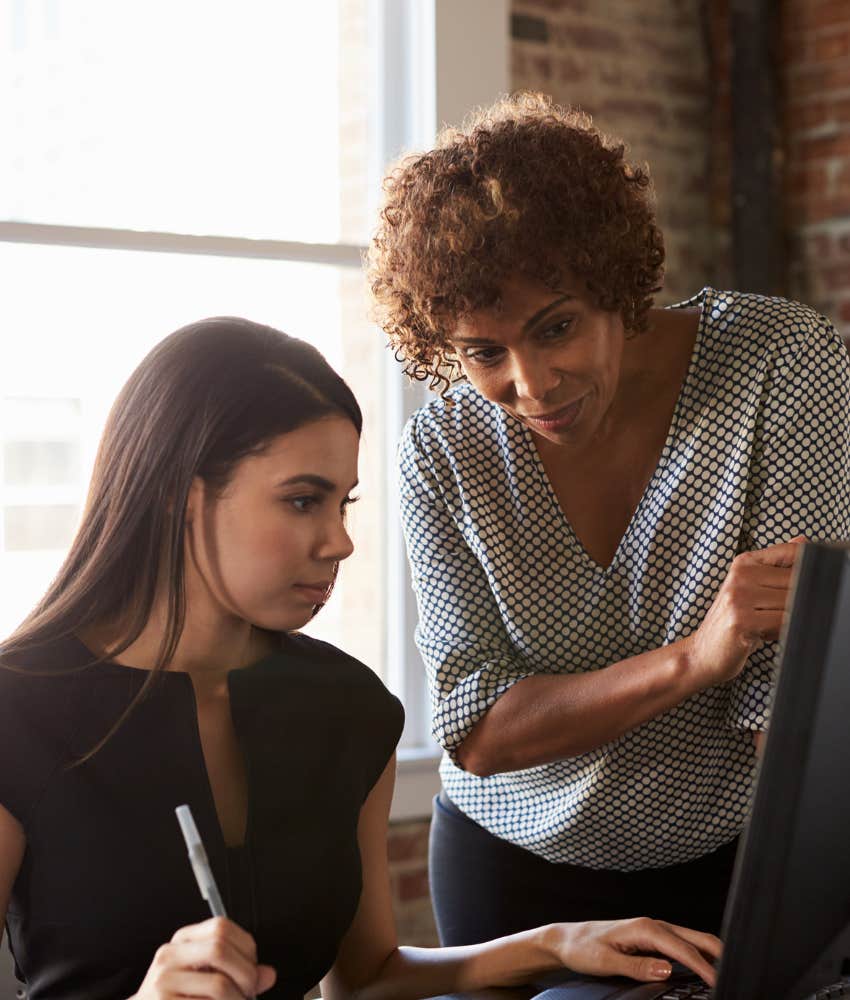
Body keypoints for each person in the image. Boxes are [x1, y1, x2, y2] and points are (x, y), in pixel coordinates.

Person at [0, 317, 722, 1000]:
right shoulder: (17, 711)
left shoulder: (348, 707)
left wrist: (557, 944)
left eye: (343, 503)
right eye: (302, 501)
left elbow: (368, 975)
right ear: (177, 498)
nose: (339, 542)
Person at [366, 91, 850, 947]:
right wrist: (696, 657)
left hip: (732, 865)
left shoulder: (783, 365)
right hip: (507, 876)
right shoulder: (441, 446)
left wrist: (799, 917)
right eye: (485, 352)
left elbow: (792, 700)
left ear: (616, 282)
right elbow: (475, 727)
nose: (533, 384)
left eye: (557, 328)